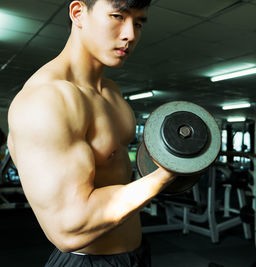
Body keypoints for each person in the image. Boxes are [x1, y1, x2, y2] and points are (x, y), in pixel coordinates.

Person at [7, 0, 176, 266]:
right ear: (78, 13)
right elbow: (67, 228)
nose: (130, 34)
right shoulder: (47, 99)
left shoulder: (112, 93)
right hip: (87, 261)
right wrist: (166, 175)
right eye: (117, 16)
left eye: (138, 23)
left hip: (137, 253)